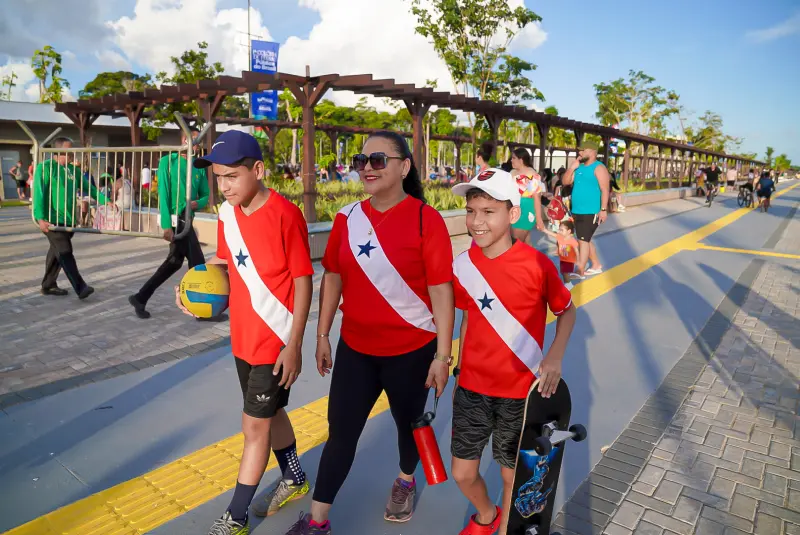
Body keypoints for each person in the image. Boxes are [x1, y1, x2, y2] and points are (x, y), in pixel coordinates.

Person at [284, 131, 454, 535]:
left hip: (412, 349)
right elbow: (334, 276)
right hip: (356, 349)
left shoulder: (425, 219)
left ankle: (406, 480)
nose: (367, 168)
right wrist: (323, 334)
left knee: (406, 424)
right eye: (362, 161)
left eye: (378, 160)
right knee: (341, 432)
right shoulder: (346, 218)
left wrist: (442, 356)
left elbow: (441, 291)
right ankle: (318, 520)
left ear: (404, 167)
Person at [172, 131, 313, 535]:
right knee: (271, 413)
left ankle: (234, 516)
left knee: (253, 427)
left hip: (275, 339)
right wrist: (195, 290)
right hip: (243, 340)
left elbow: (303, 280)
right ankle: (294, 476)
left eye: (232, 176)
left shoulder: (286, 215)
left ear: (259, 170)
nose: (225, 185)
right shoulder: (227, 213)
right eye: (219, 177)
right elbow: (226, 263)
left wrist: (295, 344)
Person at [449, 167, 576, 535]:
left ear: (513, 214)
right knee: (462, 472)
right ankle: (486, 515)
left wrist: (554, 356)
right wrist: (457, 366)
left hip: (521, 394)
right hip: (472, 388)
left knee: (511, 477)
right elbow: (469, 318)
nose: (477, 221)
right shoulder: (464, 265)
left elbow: (567, 310)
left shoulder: (536, 265)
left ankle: (505, 528)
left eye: (488, 212)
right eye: (472, 211)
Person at [128, 130, 209, 319]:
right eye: (191, 141)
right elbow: (163, 196)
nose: (194, 145)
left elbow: (206, 194)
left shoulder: (199, 166)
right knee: (197, 264)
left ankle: (140, 297)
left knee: (174, 262)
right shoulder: (168, 162)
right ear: (183, 141)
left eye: (197, 142)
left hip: (188, 218)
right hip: (175, 219)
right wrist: (166, 225)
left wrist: (199, 203)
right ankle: (199, 308)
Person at [33, 137, 108, 299]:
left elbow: (91, 189)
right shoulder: (45, 168)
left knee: (56, 252)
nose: (72, 155)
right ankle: (80, 287)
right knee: (65, 251)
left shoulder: (73, 171)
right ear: (57, 151)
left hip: (68, 220)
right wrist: (40, 218)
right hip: (51, 220)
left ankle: (48, 285)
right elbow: (38, 194)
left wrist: (106, 201)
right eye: (68, 152)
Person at [561, 139, 610, 277]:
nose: (580, 152)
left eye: (583, 150)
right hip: (576, 210)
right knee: (584, 239)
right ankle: (596, 264)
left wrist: (603, 210)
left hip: (591, 211)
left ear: (593, 152)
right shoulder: (579, 168)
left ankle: (580, 269)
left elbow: (605, 189)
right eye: (579, 150)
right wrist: (572, 167)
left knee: (583, 240)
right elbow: (565, 182)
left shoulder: (599, 167)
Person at [509, 147, 546, 243]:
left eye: (513, 158)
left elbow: (537, 198)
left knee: (516, 243)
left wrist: (539, 218)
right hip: (514, 209)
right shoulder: (512, 173)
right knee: (525, 244)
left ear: (521, 160)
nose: (511, 160)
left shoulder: (531, 174)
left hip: (526, 209)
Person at [542, 219, 580, 283]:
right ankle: (568, 279)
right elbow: (551, 234)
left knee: (565, 273)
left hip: (569, 260)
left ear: (569, 231)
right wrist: (544, 229)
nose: (559, 231)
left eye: (562, 230)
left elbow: (576, 250)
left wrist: (578, 260)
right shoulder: (560, 237)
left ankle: (568, 284)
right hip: (562, 259)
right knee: (563, 272)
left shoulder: (572, 240)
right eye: (559, 230)